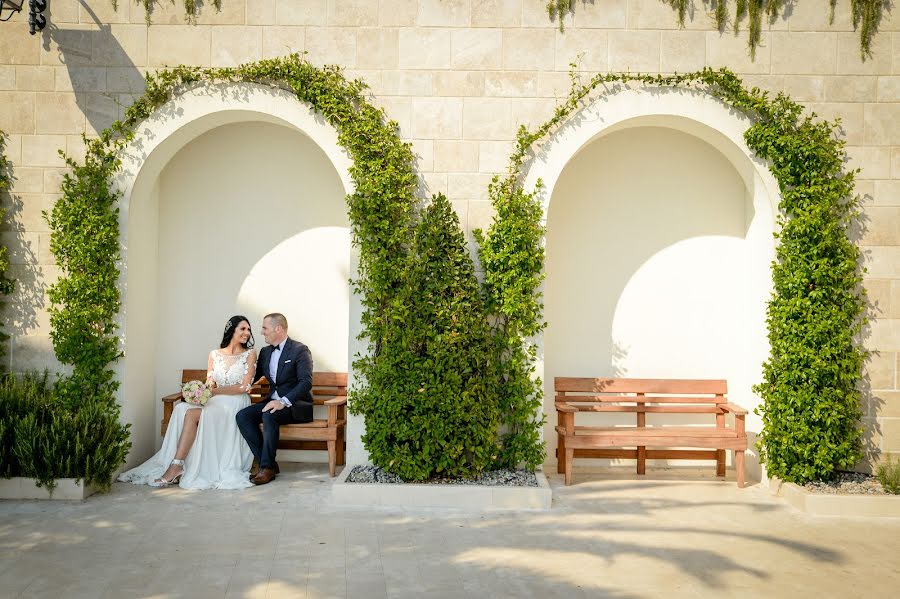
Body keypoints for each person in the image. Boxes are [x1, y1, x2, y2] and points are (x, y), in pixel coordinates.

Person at [118, 316, 257, 490]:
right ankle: (177, 462)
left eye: (249, 330)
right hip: (216, 400)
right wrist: (200, 393)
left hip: (235, 403)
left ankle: (176, 466)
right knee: (182, 408)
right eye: (243, 329)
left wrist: (213, 392)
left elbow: (244, 387)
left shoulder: (250, 354)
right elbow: (210, 382)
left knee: (192, 414)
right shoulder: (214, 354)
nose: (247, 333)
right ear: (232, 330)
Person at [236, 312, 314, 485]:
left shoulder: (300, 350)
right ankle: (269, 464)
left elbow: (305, 382)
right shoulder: (265, 352)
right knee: (243, 416)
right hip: (272, 402)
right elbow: (252, 378)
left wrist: (283, 401)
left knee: (269, 414)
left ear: (278, 329)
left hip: (296, 405)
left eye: (265, 328)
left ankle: (266, 468)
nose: (262, 332)